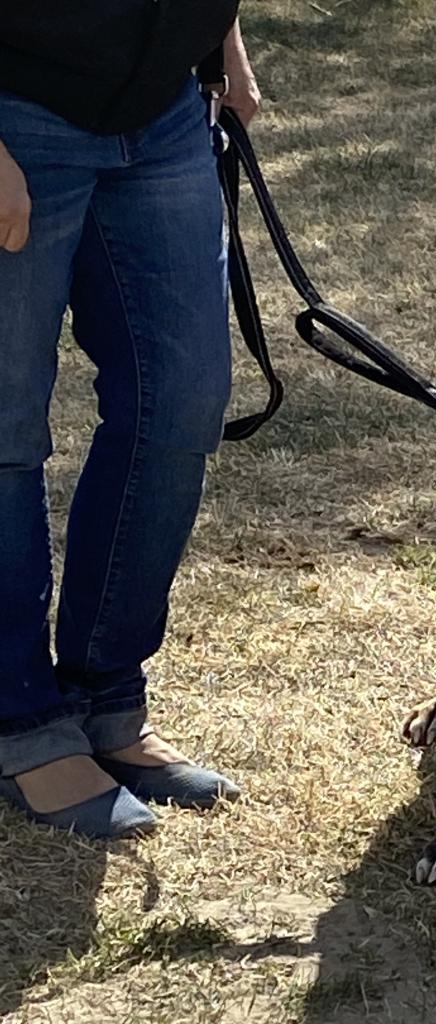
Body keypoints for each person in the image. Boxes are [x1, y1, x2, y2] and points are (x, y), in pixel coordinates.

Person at [0, 4, 261, 838]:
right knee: (6, 432)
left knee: (180, 406)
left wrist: (221, 43)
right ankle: (21, 722)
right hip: (18, 111)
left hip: (164, 110)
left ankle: (105, 698)